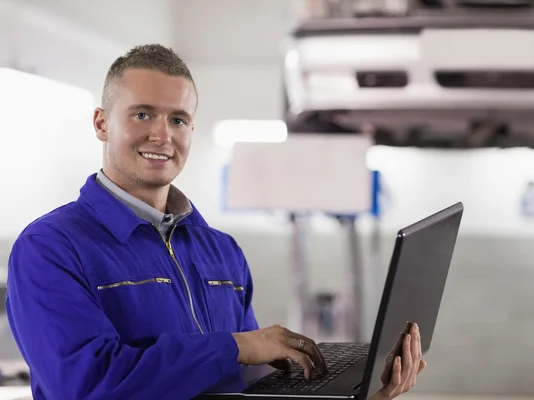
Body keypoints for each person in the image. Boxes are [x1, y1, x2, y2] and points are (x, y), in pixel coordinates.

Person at [6, 44, 426, 400]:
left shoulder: (221, 251)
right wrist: (236, 346)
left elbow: (247, 384)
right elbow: (84, 385)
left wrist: (360, 391)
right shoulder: (51, 247)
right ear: (102, 123)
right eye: (142, 115)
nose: (161, 135)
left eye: (177, 119)